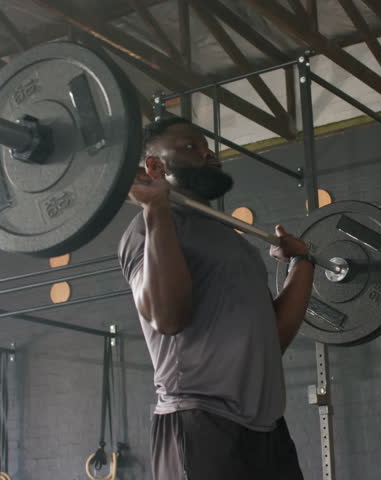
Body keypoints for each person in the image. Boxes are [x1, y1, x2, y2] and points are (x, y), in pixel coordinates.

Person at [118, 116, 315, 480]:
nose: (208, 152)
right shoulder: (146, 229)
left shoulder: (233, 242)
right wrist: (156, 208)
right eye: (190, 146)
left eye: (207, 145)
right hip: (200, 421)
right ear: (155, 166)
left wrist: (302, 264)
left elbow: (271, 340)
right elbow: (167, 317)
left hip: (266, 429)